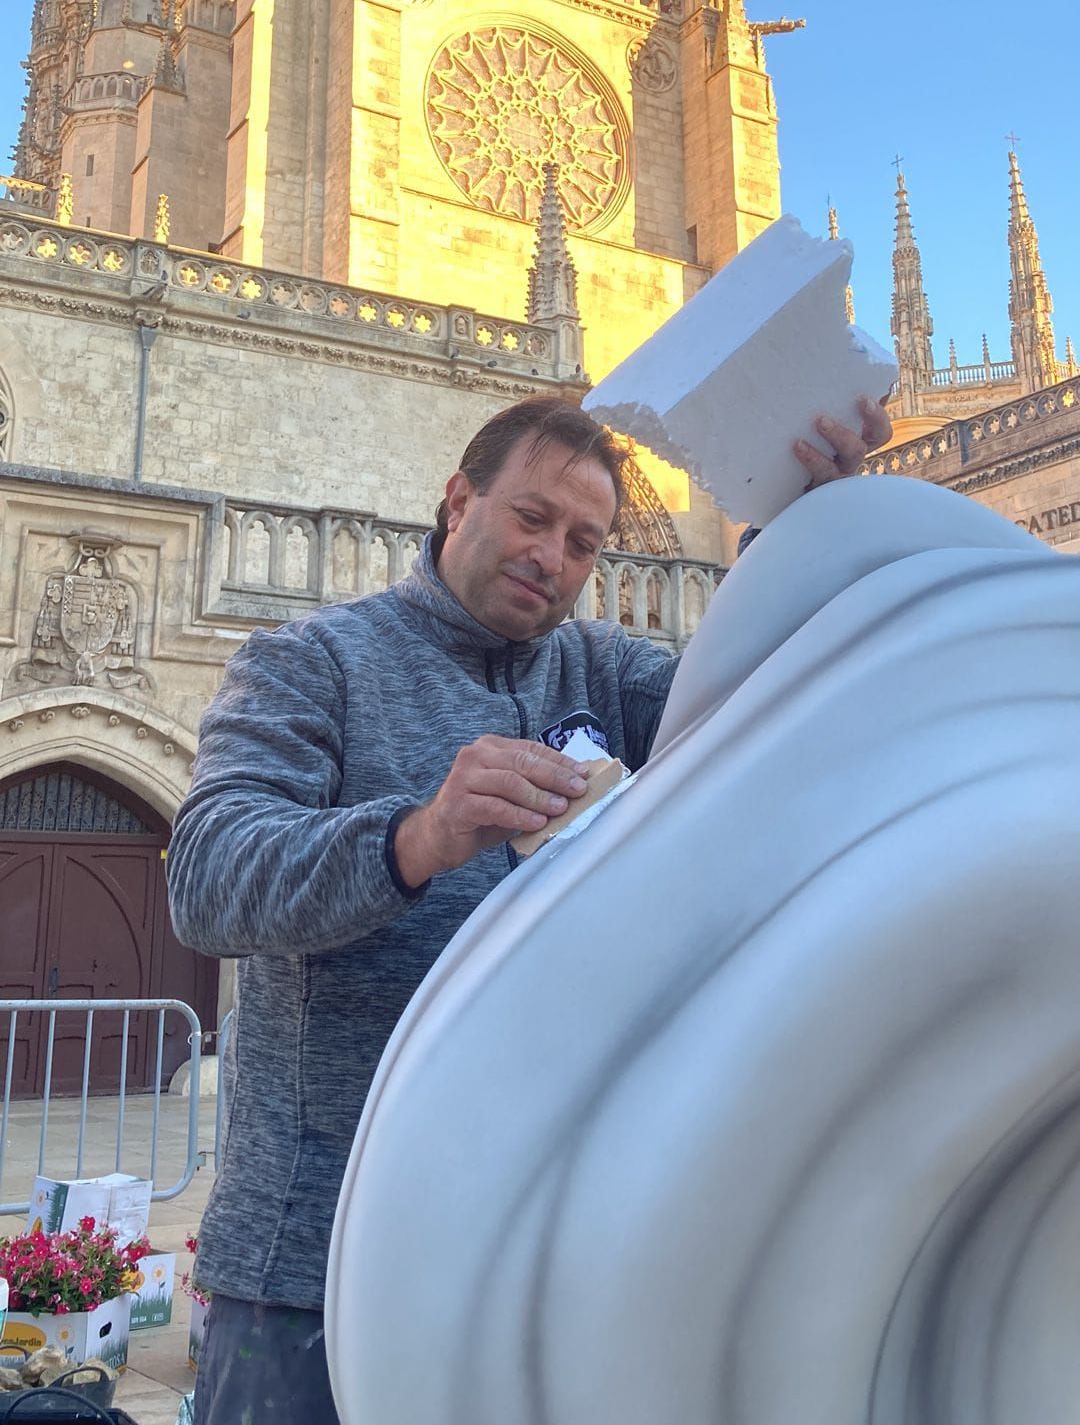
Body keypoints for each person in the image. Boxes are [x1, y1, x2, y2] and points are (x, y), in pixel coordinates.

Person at [167, 390, 890, 1422]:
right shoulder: (308, 663)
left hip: (549, 1245)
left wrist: (808, 524)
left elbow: (769, 704)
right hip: (315, 1256)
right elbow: (206, 878)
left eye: (585, 541)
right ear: (458, 500)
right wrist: (417, 835)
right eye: (532, 518)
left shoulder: (611, 671)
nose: (554, 555)